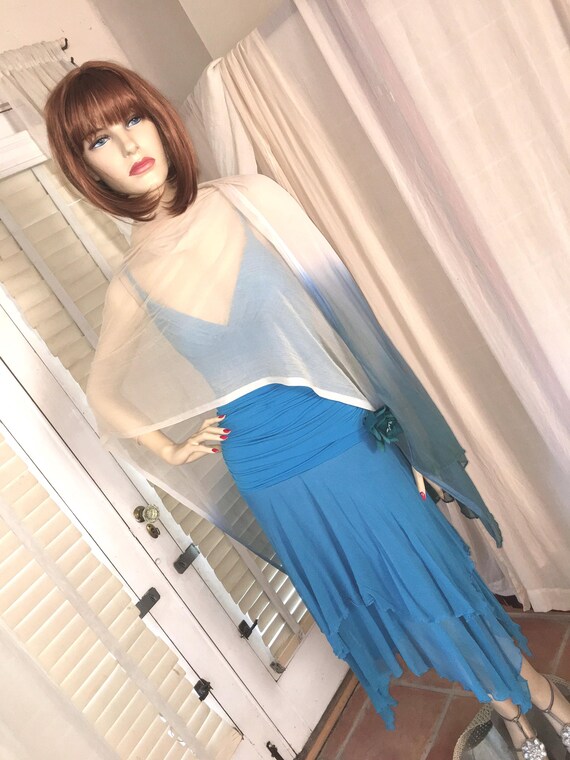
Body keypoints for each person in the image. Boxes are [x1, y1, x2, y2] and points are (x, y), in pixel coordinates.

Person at [44, 61, 570, 757]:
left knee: (433, 583)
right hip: (268, 472)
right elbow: (103, 393)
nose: (128, 143)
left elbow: (347, 321)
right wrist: (169, 446)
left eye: (133, 118)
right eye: (99, 140)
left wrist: (402, 431)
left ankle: (541, 701)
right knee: (401, 600)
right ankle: (520, 711)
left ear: (159, 120)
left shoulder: (252, 201)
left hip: (345, 436)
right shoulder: (129, 284)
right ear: (86, 169)